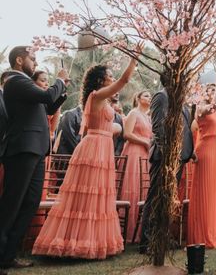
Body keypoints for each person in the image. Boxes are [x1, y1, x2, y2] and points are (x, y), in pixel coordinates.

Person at [32, 51, 139, 259]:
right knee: (87, 195)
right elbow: (125, 80)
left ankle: (93, 241)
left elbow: (98, 125)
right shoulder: (97, 96)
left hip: (101, 145)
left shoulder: (101, 101)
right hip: (95, 149)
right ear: (101, 80)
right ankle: (76, 244)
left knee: (98, 195)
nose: (112, 77)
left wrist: (115, 127)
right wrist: (133, 60)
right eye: (109, 75)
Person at [0, 46, 67, 271]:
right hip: (22, 149)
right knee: (12, 204)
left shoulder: (24, 85)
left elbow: (46, 106)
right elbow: (47, 95)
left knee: (30, 203)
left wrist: (61, 92)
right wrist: (59, 80)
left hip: (36, 150)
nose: (36, 63)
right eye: (33, 58)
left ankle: (9, 255)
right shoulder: (15, 81)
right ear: (20, 60)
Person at [138, 72, 195, 253]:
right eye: (182, 78)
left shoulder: (180, 100)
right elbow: (158, 127)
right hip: (164, 158)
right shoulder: (161, 97)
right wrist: (167, 155)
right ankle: (147, 242)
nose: (185, 81)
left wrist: (188, 152)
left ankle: (161, 237)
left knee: (168, 199)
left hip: (180, 157)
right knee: (155, 197)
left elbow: (185, 129)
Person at [187, 82, 216, 248]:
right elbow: (206, 110)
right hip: (207, 153)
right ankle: (202, 236)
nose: (214, 92)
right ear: (205, 93)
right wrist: (215, 97)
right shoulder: (201, 109)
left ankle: (215, 234)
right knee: (206, 192)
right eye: (211, 90)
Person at [120, 90, 152, 243]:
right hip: (134, 152)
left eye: (150, 96)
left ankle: (140, 231)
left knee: (143, 189)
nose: (149, 98)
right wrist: (144, 141)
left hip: (146, 155)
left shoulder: (148, 117)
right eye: (146, 95)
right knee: (132, 187)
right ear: (138, 98)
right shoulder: (134, 113)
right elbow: (126, 134)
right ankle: (128, 231)